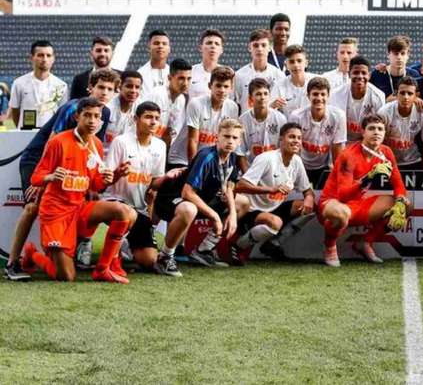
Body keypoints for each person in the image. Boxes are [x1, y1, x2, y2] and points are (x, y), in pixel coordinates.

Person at [4, 69, 119, 282]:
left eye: (109, 89)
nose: (104, 92)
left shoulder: (104, 113)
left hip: (66, 166)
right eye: (100, 87)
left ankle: (69, 251)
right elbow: (52, 141)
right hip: (38, 158)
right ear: (90, 88)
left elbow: (90, 149)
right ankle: (13, 262)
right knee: (32, 206)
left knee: (81, 202)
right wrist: (43, 180)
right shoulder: (72, 107)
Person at [21, 98, 137, 283]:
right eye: (87, 115)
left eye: (96, 116)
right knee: (66, 277)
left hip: (80, 208)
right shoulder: (58, 141)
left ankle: (103, 268)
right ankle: (33, 254)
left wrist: (114, 176)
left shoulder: (97, 145)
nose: (92, 121)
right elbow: (36, 178)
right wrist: (50, 177)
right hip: (56, 212)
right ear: (77, 116)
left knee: (125, 212)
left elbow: (96, 185)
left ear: (101, 120)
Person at [153, 119, 251, 274]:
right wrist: (215, 217)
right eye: (226, 136)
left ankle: (204, 250)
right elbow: (187, 192)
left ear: (239, 141)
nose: (230, 141)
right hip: (172, 199)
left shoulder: (232, 158)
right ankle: (165, 257)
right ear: (217, 136)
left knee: (243, 203)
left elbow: (229, 187)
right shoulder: (206, 156)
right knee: (189, 209)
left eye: (234, 138)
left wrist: (232, 214)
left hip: (201, 200)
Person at [318, 114, 410, 267]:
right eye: (371, 128)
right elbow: (343, 195)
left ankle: (365, 242)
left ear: (385, 133)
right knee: (342, 213)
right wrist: (368, 177)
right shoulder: (348, 155)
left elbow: (398, 182)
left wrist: (400, 199)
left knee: (405, 205)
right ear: (363, 132)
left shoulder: (386, 152)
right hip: (333, 203)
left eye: (380, 129)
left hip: (358, 204)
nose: (376, 132)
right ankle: (329, 246)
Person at [104, 101, 184, 272]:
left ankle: (125, 244)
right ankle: (112, 248)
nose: (153, 122)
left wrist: (168, 177)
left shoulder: (160, 146)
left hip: (139, 208)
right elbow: (107, 178)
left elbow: (154, 182)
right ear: (136, 119)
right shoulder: (121, 142)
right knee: (125, 212)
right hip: (115, 202)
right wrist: (118, 172)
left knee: (149, 260)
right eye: (148, 117)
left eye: (156, 118)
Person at [233, 122, 315, 262]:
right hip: (252, 210)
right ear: (281, 139)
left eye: (299, 138)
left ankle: (273, 244)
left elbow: (308, 191)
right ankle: (238, 246)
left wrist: (309, 198)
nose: (296, 141)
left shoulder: (297, 161)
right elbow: (239, 186)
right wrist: (270, 189)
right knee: (275, 223)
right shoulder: (267, 159)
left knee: (311, 208)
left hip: (274, 207)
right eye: (291, 137)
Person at [168, 66, 239, 167]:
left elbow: (228, 140)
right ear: (210, 86)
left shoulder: (233, 107)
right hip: (182, 159)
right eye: (218, 86)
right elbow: (193, 140)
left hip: (207, 160)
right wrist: (193, 170)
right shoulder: (196, 104)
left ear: (231, 88)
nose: (222, 90)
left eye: (226, 86)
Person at [288, 77, 347, 186]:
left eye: (323, 94)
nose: (319, 98)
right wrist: (293, 172)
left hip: (324, 166)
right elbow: (293, 148)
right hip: (301, 164)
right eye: (315, 94)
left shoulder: (339, 116)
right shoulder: (296, 116)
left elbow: (337, 148)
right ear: (308, 96)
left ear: (328, 96)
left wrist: (338, 176)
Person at [377, 76, 423, 170]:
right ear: (396, 94)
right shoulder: (384, 112)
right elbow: (377, 141)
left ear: (416, 95)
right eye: (402, 93)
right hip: (388, 161)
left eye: (410, 93)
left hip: (413, 161)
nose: (405, 97)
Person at [10, 40, 68, 128]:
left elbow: (62, 114)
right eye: (40, 55)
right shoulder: (19, 83)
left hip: (50, 134)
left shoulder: (61, 85)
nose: (44, 59)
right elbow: (15, 110)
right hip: (25, 132)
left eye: (48, 55)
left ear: (53, 59)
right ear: (31, 58)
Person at [329, 55, 386, 143]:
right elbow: (334, 128)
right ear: (349, 74)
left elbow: (379, 129)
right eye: (356, 72)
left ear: (369, 75)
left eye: (363, 73)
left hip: (367, 143)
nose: (360, 76)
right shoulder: (336, 95)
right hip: (343, 142)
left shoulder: (378, 96)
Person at [237, 77, 287, 171]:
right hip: (252, 168)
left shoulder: (280, 118)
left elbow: (284, 150)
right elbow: (240, 153)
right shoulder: (243, 120)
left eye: (265, 93)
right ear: (251, 97)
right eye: (258, 94)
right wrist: (248, 176)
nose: (262, 97)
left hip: (274, 168)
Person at [234, 29, 285, 112]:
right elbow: (234, 104)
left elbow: (283, 106)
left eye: (263, 45)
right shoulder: (239, 76)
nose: (260, 49)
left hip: (273, 123)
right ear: (249, 48)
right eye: (256, 45)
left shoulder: (279, 75)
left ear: (269, 48)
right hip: (247, 122)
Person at [148, 58, 192, 153]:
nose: (185, 83)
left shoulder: (181, 99)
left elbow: (173, 132)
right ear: (169, 78)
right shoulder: (158, 95)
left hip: (162, 149)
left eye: (188, 79)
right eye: (181, 78)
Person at [269, 45, 317, 117]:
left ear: (306, 63)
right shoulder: (279, 86)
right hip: (289, 126)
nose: (296, 65)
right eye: (292, 62)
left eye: (299, 61)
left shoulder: (317, 82)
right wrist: (272, 106)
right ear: (286, 65)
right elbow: (268, 111)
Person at [370, 36, 421, 100]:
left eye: (403, 53)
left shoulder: (414, 75)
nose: (399, 57)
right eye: (396, 54)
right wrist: (386, 102)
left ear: (408, 55)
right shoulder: (377, 74)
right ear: (388, 54)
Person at [104, 70, 143, 152]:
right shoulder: (107, 108)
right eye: (129, 86)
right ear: (119, 87)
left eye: (137, 87)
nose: (133, 90)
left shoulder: (141, 109)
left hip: (127, 155)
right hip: (105, 154)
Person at [188, 29, 226, 100]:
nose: (213, 46)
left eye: (217, 44)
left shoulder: (228, 74)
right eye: (209, 43)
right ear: (200, 48)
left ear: (221, 50)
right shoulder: (190, 72)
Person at [137, 30, 171, 98]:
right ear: (149, 47)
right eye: (156, 43)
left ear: (169, 49)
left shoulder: (174, 74)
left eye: (164, 43)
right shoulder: (140, 74)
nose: (160, 46)